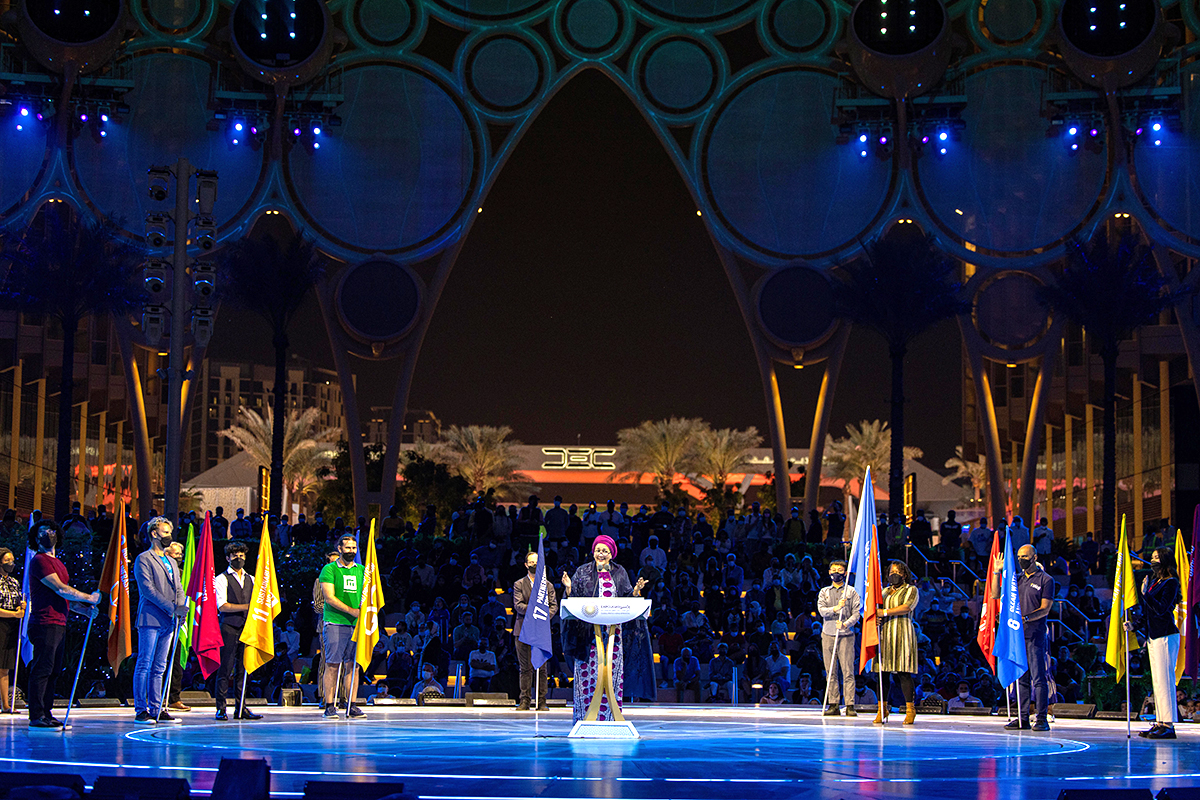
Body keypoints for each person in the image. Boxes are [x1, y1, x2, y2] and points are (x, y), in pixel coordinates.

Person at [561, 534, 655, 721]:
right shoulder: (582, 571)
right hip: (588, 636)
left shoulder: (620, 572)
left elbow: (628, 598)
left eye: (605, 551)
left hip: (613, 635)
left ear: (612, 553)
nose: (601, 554)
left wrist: (636, 591)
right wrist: (569, 588)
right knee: (588, 677)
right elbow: (574, 601)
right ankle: (584, 718)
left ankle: (610, 717)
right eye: (598, 550)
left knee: (611, 675)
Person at [26, 522, 101, 728]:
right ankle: (37, 715)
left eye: (50, 532)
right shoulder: (39, 561)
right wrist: (89, 597)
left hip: (59, 622)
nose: (47, 535)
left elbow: (65, 598)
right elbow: (60, 588)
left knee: (54, 670)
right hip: (44, 622)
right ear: (35, 538)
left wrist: (85, 610)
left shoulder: (58, 562)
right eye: (42, 533)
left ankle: (46, 712)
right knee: (43, 669)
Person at [991, 544, 1054, 731]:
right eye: (1018, 557)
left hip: (1034, 635)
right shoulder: (1015, 580)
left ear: (1034, 557)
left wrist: (1025, 618)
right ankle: (1022, 717)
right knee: (1021, 678)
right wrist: (996, 572)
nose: (1021, 560)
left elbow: (1045, 608)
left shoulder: (1045, 580)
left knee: (1038, 678)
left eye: (1024, 556)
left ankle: (1041, 718)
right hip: (1017, 636)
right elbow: (995, 594)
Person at [133, 517, 186, 725]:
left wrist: (180, 609)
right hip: (151, 617)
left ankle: (157, 708)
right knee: (145, 663)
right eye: (165, 533)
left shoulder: (171, 561)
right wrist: (171, 608)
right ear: (154, 534)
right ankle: (141, 710)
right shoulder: (143, 559)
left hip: (170, 619)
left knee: (160, 666)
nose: (169, 537)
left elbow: (178, 587)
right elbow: (148, 590)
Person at [1134, 546, 1183, 740]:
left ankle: (1169, 725)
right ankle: (1161, 721)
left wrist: (1146, 594)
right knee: (1157, 682)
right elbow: (1148, 613)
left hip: (1165, 635)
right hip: (1153, 636)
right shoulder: (1155, 583)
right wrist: (1135, 624)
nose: (1153, 561)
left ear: (1164, 560)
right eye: (1152, 558)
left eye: (1156, 558)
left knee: (1166, 680)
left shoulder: (1171, 583)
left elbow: (1162, 609)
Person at [319, 534, 366, 719]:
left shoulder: (362, 570)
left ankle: (351, 704)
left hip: (356, 626)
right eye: (348, 548)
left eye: (354, 548)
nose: (351, 551)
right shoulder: (329, 570)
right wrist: (352, 611)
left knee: (353, 666)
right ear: (339, 548)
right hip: (335, 623)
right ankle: (330, 705)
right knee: (332, 665)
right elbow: (329, 598)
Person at [213, 540, 261, 721]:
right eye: (235, 556)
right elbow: (222, 606)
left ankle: (241, 708)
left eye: (242, 556)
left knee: (244, 669)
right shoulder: (221, 579)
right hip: (229, 627)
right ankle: (221, 708)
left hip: (247, 629)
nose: (239, 559)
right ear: (228, 558)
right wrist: (247, 606)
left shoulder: (252, 579)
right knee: (225, 668)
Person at [513, 549, 559, 710]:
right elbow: (518, 606)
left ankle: (542, 701)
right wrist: (536, 612)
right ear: (526, 565)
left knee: (542, 667)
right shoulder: (519, 584)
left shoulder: (548, 585)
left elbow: (553, 606)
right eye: (531, 562)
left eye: (537, 563)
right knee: (525, 668)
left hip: (541, 631)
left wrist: (543, 616)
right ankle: (525, 700)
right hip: (523, 630)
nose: (534, 565)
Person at [875, 561, 919, 726]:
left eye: (897, 572)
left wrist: (884, 612)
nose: (894, 574)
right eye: (891, 572)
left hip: (902, 632)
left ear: (904, 574)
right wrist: (877, 617)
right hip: (885, 634)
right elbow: (876, 609)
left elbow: (907, 607)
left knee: (903, 672)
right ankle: (882, 708)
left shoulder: (911, 590)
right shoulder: (884, 591)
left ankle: (910, 709)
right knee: (882, 673)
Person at [818, 559, 861, 716]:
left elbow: (857, 613)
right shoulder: (824, 592)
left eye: (840, 570)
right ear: (829, 572)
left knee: (848, 670)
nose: (836, 572)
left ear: (845, 573)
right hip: (828, 633)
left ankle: (850, 705)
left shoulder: (851, 592)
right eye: (833, 569)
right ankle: (833, 703)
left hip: (846, 635)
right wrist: (836, 609)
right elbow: (822, 610)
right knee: (831, 671)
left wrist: (846, 624)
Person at [163, 542, 191, 713]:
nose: (179, 557)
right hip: (161, 620)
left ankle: (174, 697)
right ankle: (154, 698)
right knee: (158, 662)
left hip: (179, 623)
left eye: (181, 554)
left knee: (177, 661)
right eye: (175, 554)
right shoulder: (160, 572)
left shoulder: (183, 574)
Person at [0, 547, 24, 713]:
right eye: (7, 560)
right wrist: (14, 614)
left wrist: (21, 608)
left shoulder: (14, 582)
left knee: (5, 666)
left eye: (12, 560)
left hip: (12, 627)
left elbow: (19, 603)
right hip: (1, 623)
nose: (11, 563)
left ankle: (6, 705)